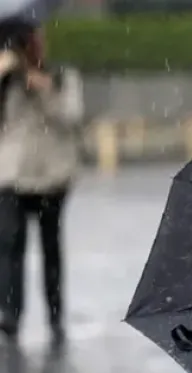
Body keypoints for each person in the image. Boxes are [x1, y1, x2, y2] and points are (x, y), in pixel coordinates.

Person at [0, 23, 84, 346]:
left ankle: (55, 314)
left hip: (51, 176)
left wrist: (44, 89)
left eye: (37, 40)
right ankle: (10, 313)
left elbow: (71, 116)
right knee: (9, 247)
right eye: (26, 42)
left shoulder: (62, 76)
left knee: (51, 249)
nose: (34, 47)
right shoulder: (8, 79)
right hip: (13, 176)